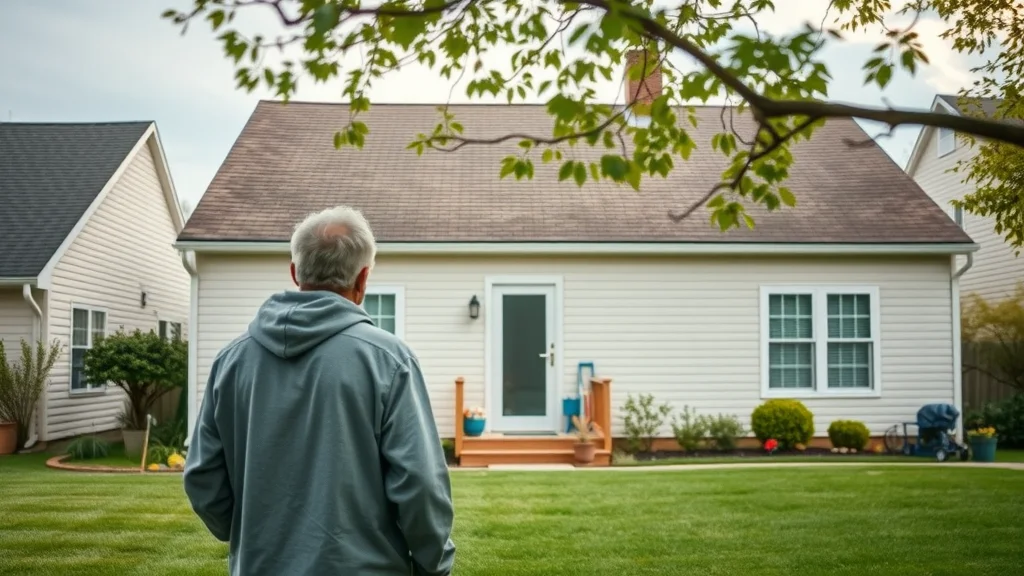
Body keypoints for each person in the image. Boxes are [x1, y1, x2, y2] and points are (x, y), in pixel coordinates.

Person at [183, 205, 455, 575]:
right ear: (362, 280)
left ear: (295, 273)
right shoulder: (389, 361)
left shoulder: (231, 361)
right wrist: (433, 566)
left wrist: (252, 532)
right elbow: (421, 484)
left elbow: (202, 477)